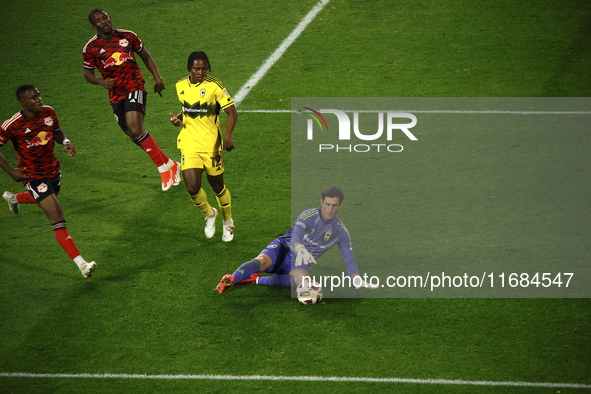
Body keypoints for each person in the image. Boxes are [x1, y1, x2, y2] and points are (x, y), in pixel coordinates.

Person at [1, 85, 97, 278]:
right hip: (32, 176)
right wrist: (10, 171)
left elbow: (57, 131)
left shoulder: (48, 112)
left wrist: (66, 142)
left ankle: (14, 199)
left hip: (53, 170)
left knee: (47, 198)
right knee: (57, 217)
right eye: (33, 97)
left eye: (39, 95)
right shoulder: (13, 124)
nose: (38, 99)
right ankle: (82, 264)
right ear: (23, 102)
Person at [83, 8, 180, 191]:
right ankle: (171, 164)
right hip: (115, 94)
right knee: (135, 136)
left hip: (134, 86)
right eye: (98, 20)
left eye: (105, 18)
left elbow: (145, 55)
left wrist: (158, 78)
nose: (103, 22)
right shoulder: (91, 48)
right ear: (93, 26)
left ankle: (163, 170)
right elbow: (87, 73)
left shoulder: (128, 36)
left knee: (136, 128)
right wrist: (101, 81)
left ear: (110, 18)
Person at [215, 186, 376, 293]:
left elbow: (348, 255)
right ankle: (231, 278)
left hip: (299, 264)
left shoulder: (341, 232)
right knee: (261, 261)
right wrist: (299, 248)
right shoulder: (309, 215)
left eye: (334, 205)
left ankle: (255, 280)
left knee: (302, 283)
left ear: (341, 205)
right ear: (321, 202)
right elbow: (297, 234)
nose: (329, 209)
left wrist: (355, 277)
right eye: (327, 204)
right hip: (283, 249)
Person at [169, 51, 238, 242]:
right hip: (189, 143)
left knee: (217, 186)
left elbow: (232, 112)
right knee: (192, 187)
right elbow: (188, 109)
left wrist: (228, 136)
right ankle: (209, 214)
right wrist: (178, 119)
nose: (201, 72)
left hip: (211, 146)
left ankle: (227, 222)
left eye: (204, 68)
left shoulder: (215, 86)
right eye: (197, 68)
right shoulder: (180, 85)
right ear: (189, 68)